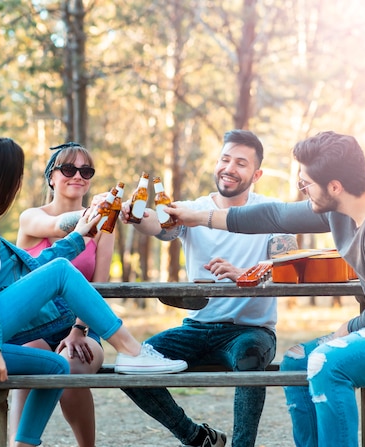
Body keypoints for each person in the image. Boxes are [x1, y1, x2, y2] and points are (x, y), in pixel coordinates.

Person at [165, 131, 365, 447]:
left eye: (307, 184)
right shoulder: (339, 208)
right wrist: (201, 217)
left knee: (327, 362)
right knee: (297, 360)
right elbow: (273, 215)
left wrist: (342, 330)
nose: (303, 190)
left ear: (334, 186)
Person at [0, 137, 188, 447]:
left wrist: (80, 237)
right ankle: (132, 351)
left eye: (86, 172)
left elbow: (30, 270)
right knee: (59, 271)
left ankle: (23, 444)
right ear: (2, 178)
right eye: (16, 176)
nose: (17, 185)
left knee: (58, 367)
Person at [119, 129, 298, 447]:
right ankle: (197, 437)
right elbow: (160, 226)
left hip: (250, 331)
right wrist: (135, 218)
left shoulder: (271, 212)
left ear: (256, 174)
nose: (229, 167)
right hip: (196, 330)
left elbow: (289, 269)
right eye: (225, 158)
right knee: (132, 365)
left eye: (241, 163)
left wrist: (245, 274)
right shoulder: (190, 210)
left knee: (250, 357)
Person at [10, 142, 112, 447]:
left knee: (71, 368)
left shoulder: (105, 226)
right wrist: (91, 216)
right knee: (31, 358)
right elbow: (57, 227)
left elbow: (99, 288)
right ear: (51, 177)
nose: (78, 176)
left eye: (86, 170)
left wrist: (80, 329)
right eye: (68, 169)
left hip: (82, 325)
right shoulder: (31, 218)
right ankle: (20, 444)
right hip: (34, 324)